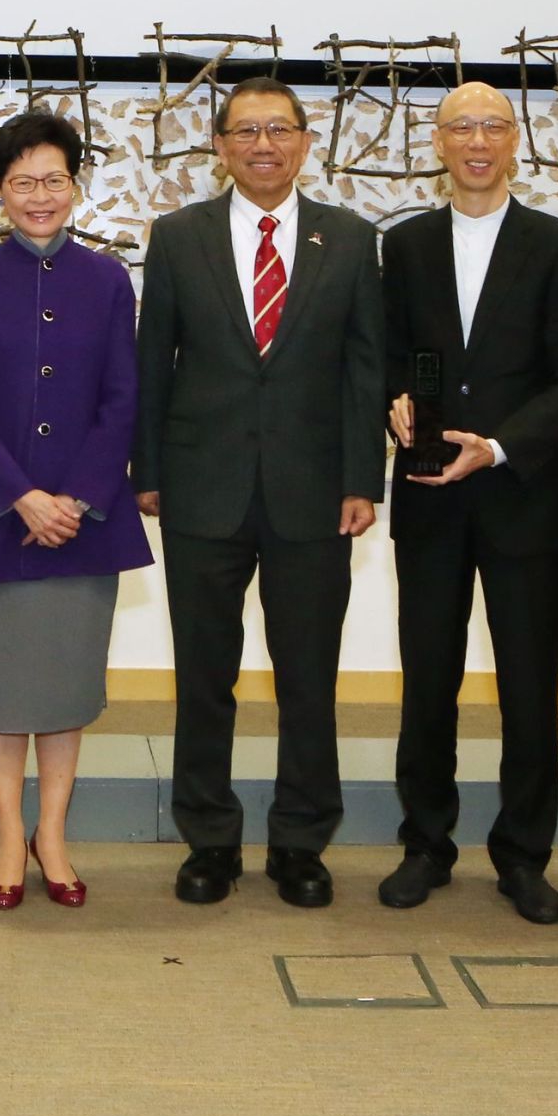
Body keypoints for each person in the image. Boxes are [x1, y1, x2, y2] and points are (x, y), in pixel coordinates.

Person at [134, 75, 387, 910]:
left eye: (279, 129)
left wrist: (362, 479)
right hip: (201, 487)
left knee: (306, 676)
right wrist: (149, 472)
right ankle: (208, 839)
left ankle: (300, 841)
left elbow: (362, 369)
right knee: (203, 675)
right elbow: (153, 363)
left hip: (315, 493)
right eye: (244, 131)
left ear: (305, 142)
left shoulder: (349, 239)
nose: (263, 145)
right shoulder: (177, 237)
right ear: (219, 146)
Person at [378, 83, 558, 922]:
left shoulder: (557, 245)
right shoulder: (401, 246)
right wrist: (393, 400)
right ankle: (424, 844)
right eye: (460, 126)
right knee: (426, 681)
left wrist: (499, 446)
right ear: (437, 142)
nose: (476, 140)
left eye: (492, 126)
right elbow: (387, 358)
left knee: (528, 686)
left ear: (515, 142)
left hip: (522, 496)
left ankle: (522, 855)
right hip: (431, 494)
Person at [0, 110, 150, 911]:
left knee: (64, 691)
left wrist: (78, 498)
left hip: (84, 522)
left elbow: (121, 399)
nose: (38, 196)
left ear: (75, 186)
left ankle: (51, 834)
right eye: (21, 182)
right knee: (3, 693)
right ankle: (4, 835)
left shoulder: (105, 278)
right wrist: (20, 495)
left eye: (53, 180)